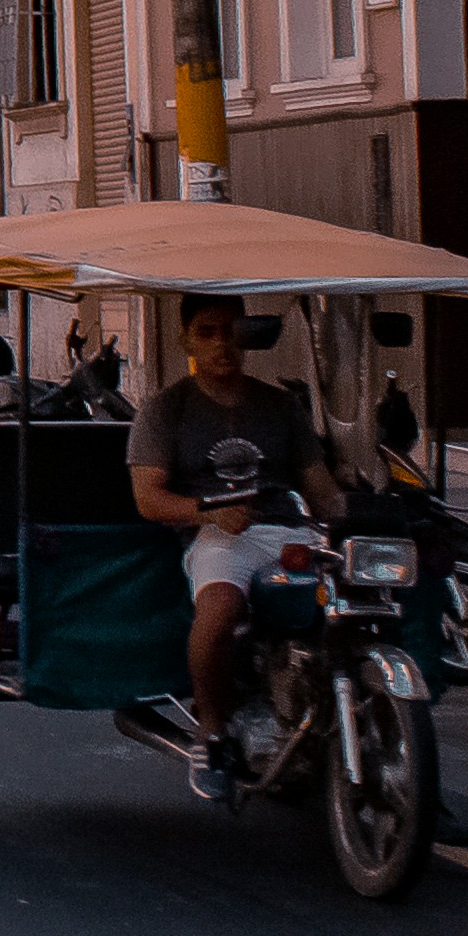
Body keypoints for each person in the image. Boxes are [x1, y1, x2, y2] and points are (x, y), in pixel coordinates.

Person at [130, 295, 346, 804]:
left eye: (231, 331)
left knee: (359, 606)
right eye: (208, 332)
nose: (222, 344)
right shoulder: (166, 411)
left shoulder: (280, 407)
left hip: (290, 530)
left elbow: (321, 489)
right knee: (219, 611)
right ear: (187, 339)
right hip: (218, 536)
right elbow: (148, 498)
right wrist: (208, 513)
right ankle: (212, 735)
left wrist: (352, 513)